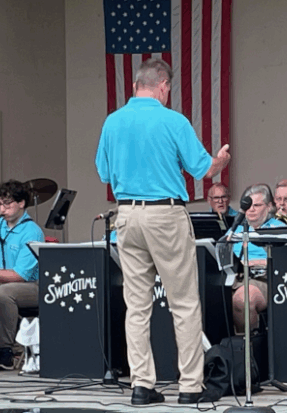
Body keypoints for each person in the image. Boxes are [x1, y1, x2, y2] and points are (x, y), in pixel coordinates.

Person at [94, 58, 230, 405]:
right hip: (165, 214)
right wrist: (221, 161)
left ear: (137, 84)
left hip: (126, 215)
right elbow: (202, 169)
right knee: (183, 302)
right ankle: (189, 386)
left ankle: (142, 385)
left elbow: (104, 174)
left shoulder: (113, 122)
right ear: (164, 86)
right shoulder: (173, 120)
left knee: (136, 305)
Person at [0, 180, 44, 371]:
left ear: (21, 203)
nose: (2, 209)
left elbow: (20, 276)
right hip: (0, 281)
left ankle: (7, 351)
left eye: (8, 203)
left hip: (32, 286)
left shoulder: (32, 231)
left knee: (3, 293)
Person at [228, 184, 286, 333]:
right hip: (234, 277)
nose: (251, 209)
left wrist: (260, 262)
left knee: (243, 300)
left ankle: (248, 347)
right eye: (248, 205)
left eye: (257, 205)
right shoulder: (236, 229)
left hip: (265, 278)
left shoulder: (280, 229)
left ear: (269, 207)